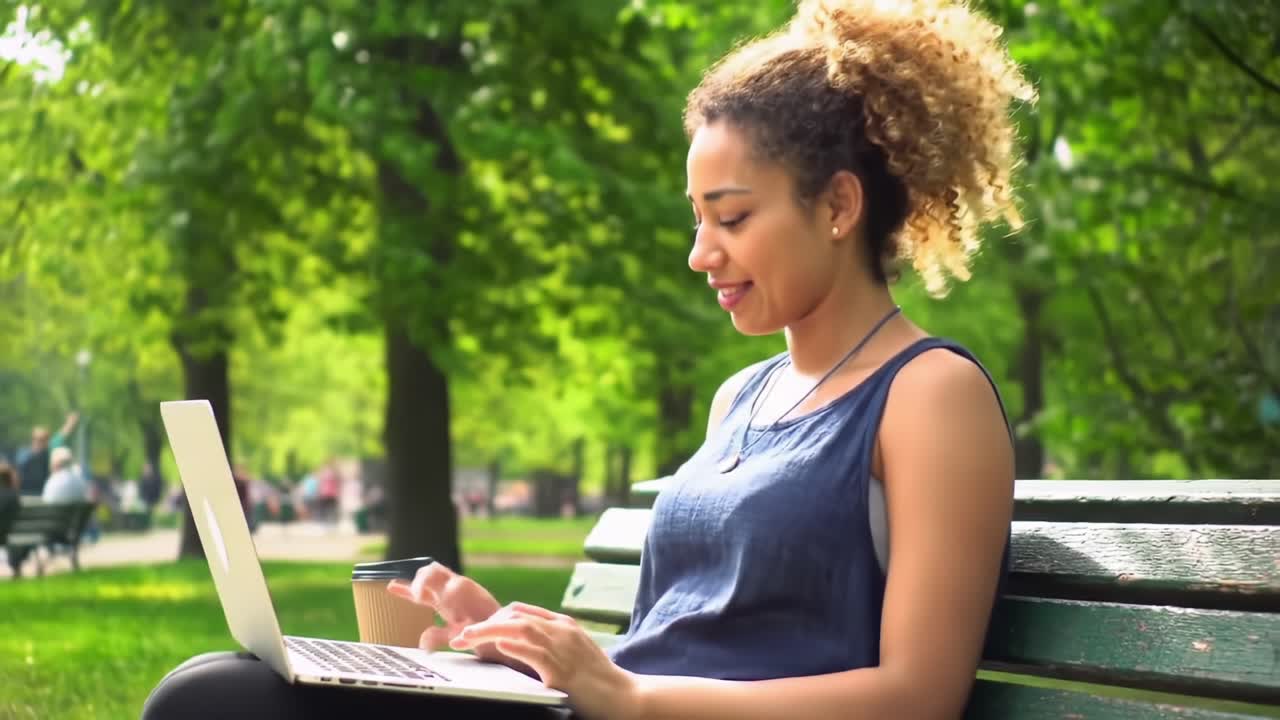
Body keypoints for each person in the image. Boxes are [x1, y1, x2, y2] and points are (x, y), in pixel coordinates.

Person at [141, 1, 1027, 717]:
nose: (700, 253)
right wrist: (524, 647)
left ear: (837, 206)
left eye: (732, 217)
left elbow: (919, 696)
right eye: (697, 218)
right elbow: (678, 643)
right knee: (218, 690)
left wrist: (627, 697)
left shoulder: (930, 396)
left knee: (216, 704)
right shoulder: (740, 400)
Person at [15, 412, 79, 496]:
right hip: (24, 494)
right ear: (32, 439)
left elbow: (61, 436)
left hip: (43, 494)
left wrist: (70, 423)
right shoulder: (23, 453)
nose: (39, 442)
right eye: (36, 439)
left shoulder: (49, 450)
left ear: (47, 441)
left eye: (43, 439)